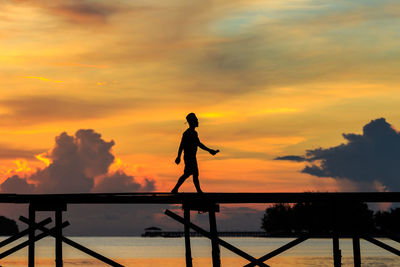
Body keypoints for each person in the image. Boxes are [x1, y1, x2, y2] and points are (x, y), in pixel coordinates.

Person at [171, 113, 219, 193]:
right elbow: (181, 145)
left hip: (192, 157)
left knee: (191, 174)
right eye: (196, 120)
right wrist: (178, 157)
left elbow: (199, 144)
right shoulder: (187, 133)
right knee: (191, 174)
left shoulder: (194, 133)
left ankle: (177, 189)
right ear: (191, 122)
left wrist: (210, 150)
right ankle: (196, 191)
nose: (197, 121)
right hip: (188, 157)